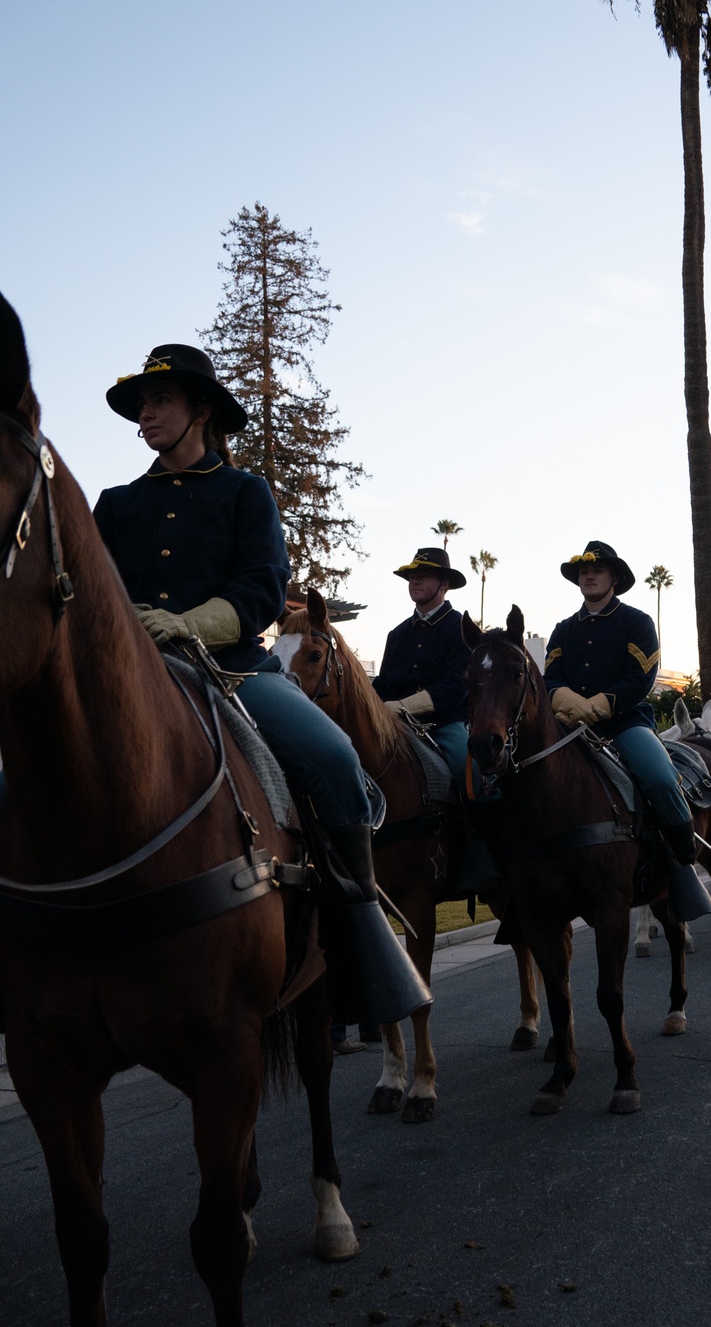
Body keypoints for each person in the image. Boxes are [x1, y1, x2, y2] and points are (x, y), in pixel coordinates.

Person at [94, 343, 429, 1025]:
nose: (146, 415)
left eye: (160, 401)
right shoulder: (117, 503)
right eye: (141, 405)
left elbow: (261, 588)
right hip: (134, 674)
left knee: (335, 759)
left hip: (235, 669)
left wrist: (185, 623)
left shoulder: (245, 492)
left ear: (202, 410)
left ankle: (359, 943)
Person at [543, 540, 711, 920]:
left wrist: (599, 705)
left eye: (598, 570)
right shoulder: (562, 629)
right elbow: (550, 678)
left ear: (614, 579)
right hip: (569, 728)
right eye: (584, 571)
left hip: (624, 725)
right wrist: (569, 702)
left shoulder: (636, 622)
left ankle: (682, 861)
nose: (589, 575)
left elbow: (641, 677)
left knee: (660, 778)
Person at [372, 547, 470, 787]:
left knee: (471, 771)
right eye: (412, 577)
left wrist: (402, 707)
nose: (415, 580)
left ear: (444, 583)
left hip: (444, 725)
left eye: (424, 575)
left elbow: (456, 686)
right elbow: (382, 684)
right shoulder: (396, 634)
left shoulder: (460, 627)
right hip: (393, 724)